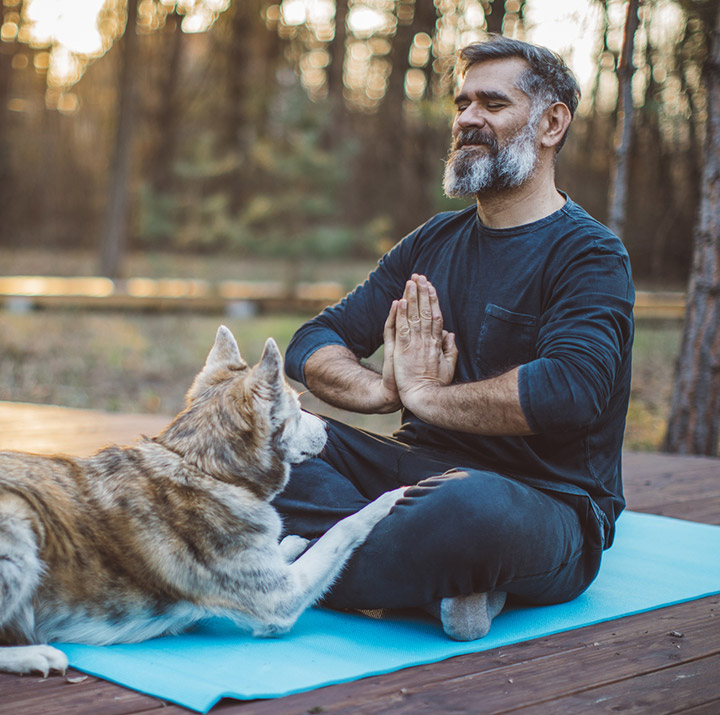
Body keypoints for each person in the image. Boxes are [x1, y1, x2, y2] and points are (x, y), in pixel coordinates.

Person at [273, 36, 635, 641]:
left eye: (492, 104)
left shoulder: (591, 254)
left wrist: (428, 398)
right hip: (411, 478)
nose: (467, 118)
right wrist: (379, 390)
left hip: (542, 503)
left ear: (551, 122)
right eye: (462, 103)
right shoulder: (432, 241)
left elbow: (570, 390)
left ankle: (290, 561)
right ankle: (429, 586)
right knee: (263, 442)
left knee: (467, 510)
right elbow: (313, 341)